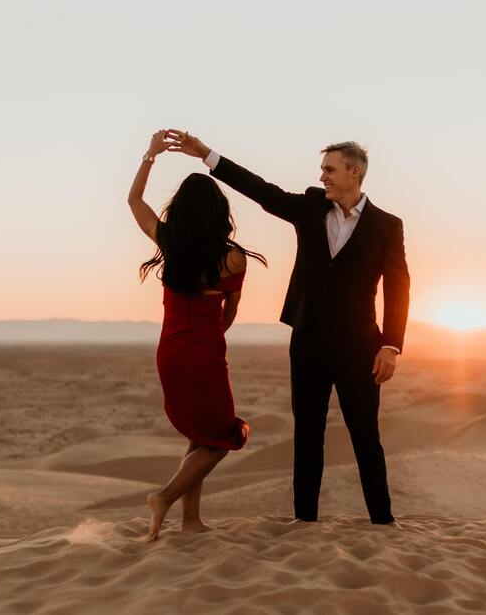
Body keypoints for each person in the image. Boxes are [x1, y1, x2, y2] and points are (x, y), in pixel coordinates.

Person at [167, 129, 409, 526]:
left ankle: (382, 521)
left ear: (355, 172)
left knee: (365, 434)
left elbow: (399, 287)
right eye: (322, 170)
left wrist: (391, 345)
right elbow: (261, 191)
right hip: (308, 342)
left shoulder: (387, 225)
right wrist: (207, 155)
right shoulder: (310, 207)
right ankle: (304, 522)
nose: (323, 177)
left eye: (330, 169)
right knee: (308, 435)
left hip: (360, 347)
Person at [128, 129, 267, 542]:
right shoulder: (232, 257)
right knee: (223, 437)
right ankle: (165, 497)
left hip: (169, 353)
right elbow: (231, 313)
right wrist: (211, 336)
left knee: (199, 434)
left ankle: (191, 522)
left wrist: (150, 156)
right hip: (205, 354)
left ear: (182, 212)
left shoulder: (170, 244)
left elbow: (134, 202)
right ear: (219, 211)